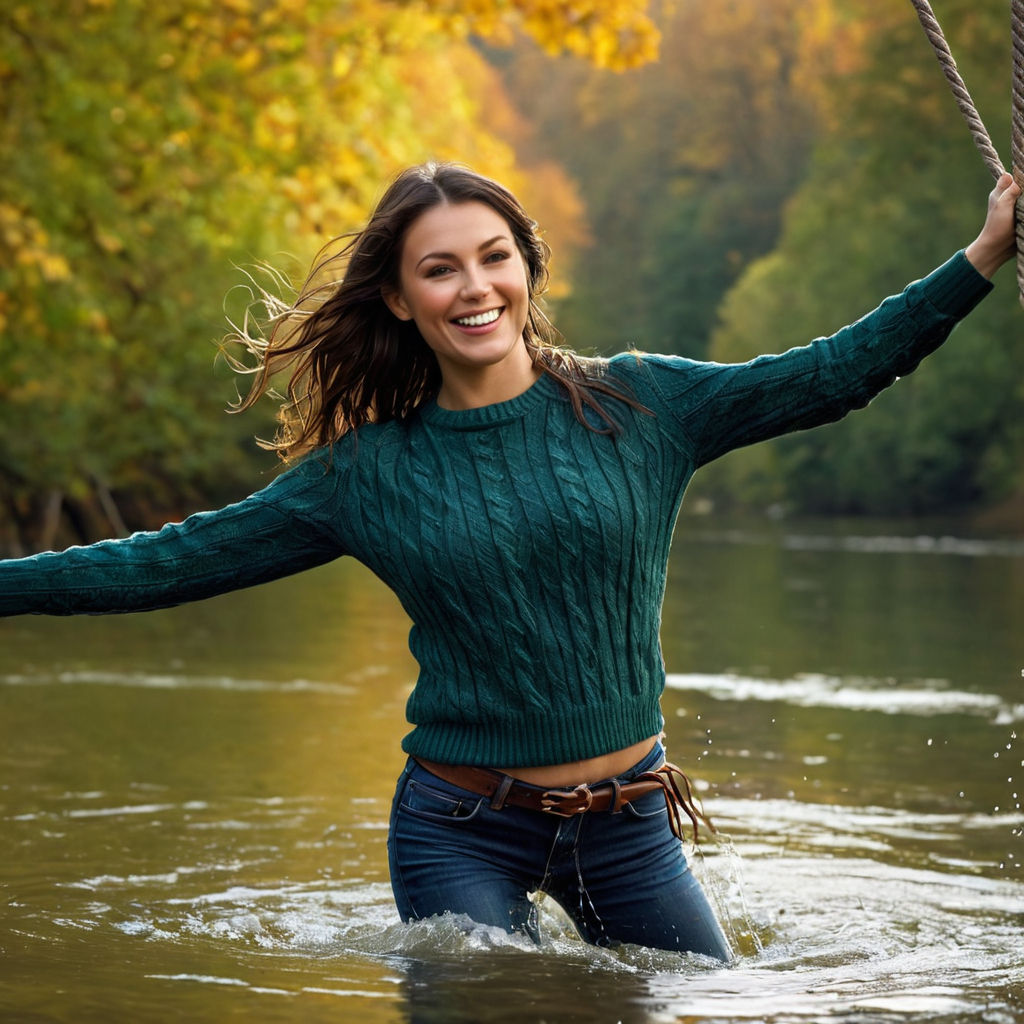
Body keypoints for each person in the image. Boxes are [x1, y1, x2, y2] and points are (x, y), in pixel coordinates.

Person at [0, 163, 1019, 962]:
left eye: (493, 256)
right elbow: (167, 563)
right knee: (483, 996)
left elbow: (835, 372)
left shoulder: (645, 405)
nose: (473, 286)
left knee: (700, 995)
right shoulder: (366, 474)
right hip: (458, 826)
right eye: (439, 268)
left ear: (526, 267)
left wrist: (980, 254)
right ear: (400, 301)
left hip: (627, 822)